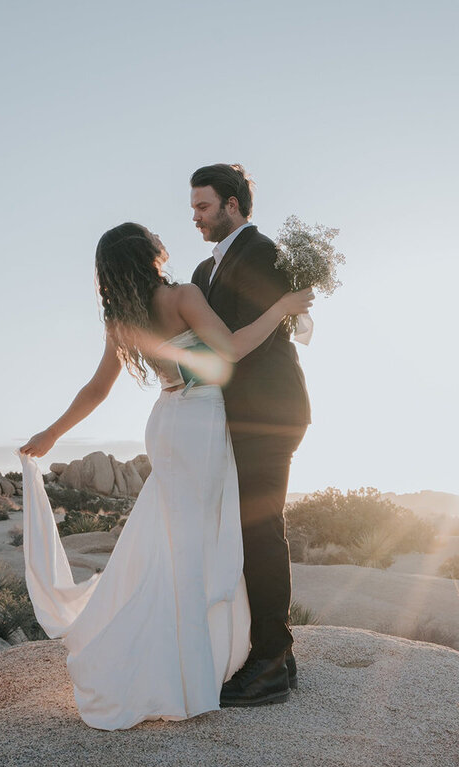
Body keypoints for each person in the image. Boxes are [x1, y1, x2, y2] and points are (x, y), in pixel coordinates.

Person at [18, 222, 313, 730]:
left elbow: (96, 390)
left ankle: (181, 653)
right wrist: (282, 308)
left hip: (165, 422)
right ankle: (202, 662)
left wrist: (50, 434)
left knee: (172, 539)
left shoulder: (123, 319)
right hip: (202, 420)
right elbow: (234, 348)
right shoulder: (182, 295)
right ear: (152, 252)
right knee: (204, 538)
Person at [189, 164, 311, 706]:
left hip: (268, 413)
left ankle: (269, 667)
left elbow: (244, 341)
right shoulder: (204, 269)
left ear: (233, 205)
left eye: (203, 207)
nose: (196, 217)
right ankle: (274, 655)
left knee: (260, 532)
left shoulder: (262, 253)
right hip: (232, 416)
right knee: (244, 535)